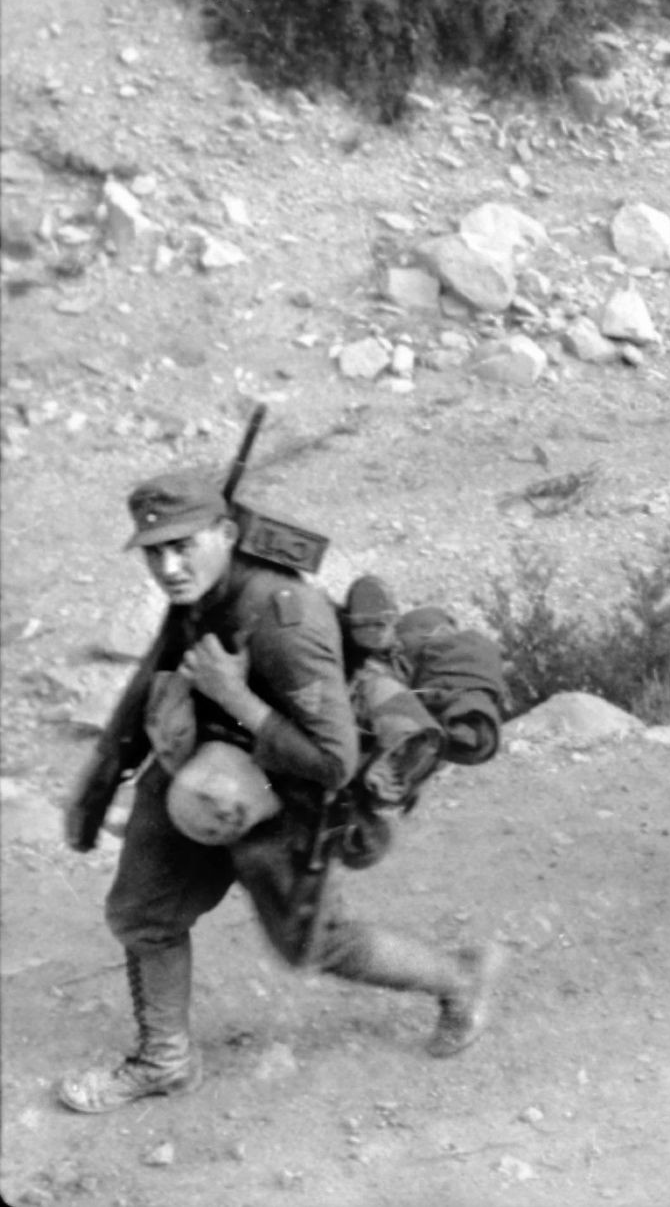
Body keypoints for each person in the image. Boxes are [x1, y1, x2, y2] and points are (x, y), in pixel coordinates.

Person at [58, 472, 505, 1114]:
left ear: (228, 535)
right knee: (143, 916)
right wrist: (99, 781)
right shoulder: (201, 591)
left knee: (314, 945)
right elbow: (155, 666)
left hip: (287, 803)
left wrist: (233, 694)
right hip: (204, 772)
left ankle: (461, 978)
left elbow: (333, 759)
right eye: (155, 551)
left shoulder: (283, 619)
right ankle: (165, 1061)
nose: (168, 565)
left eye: (183, 546)